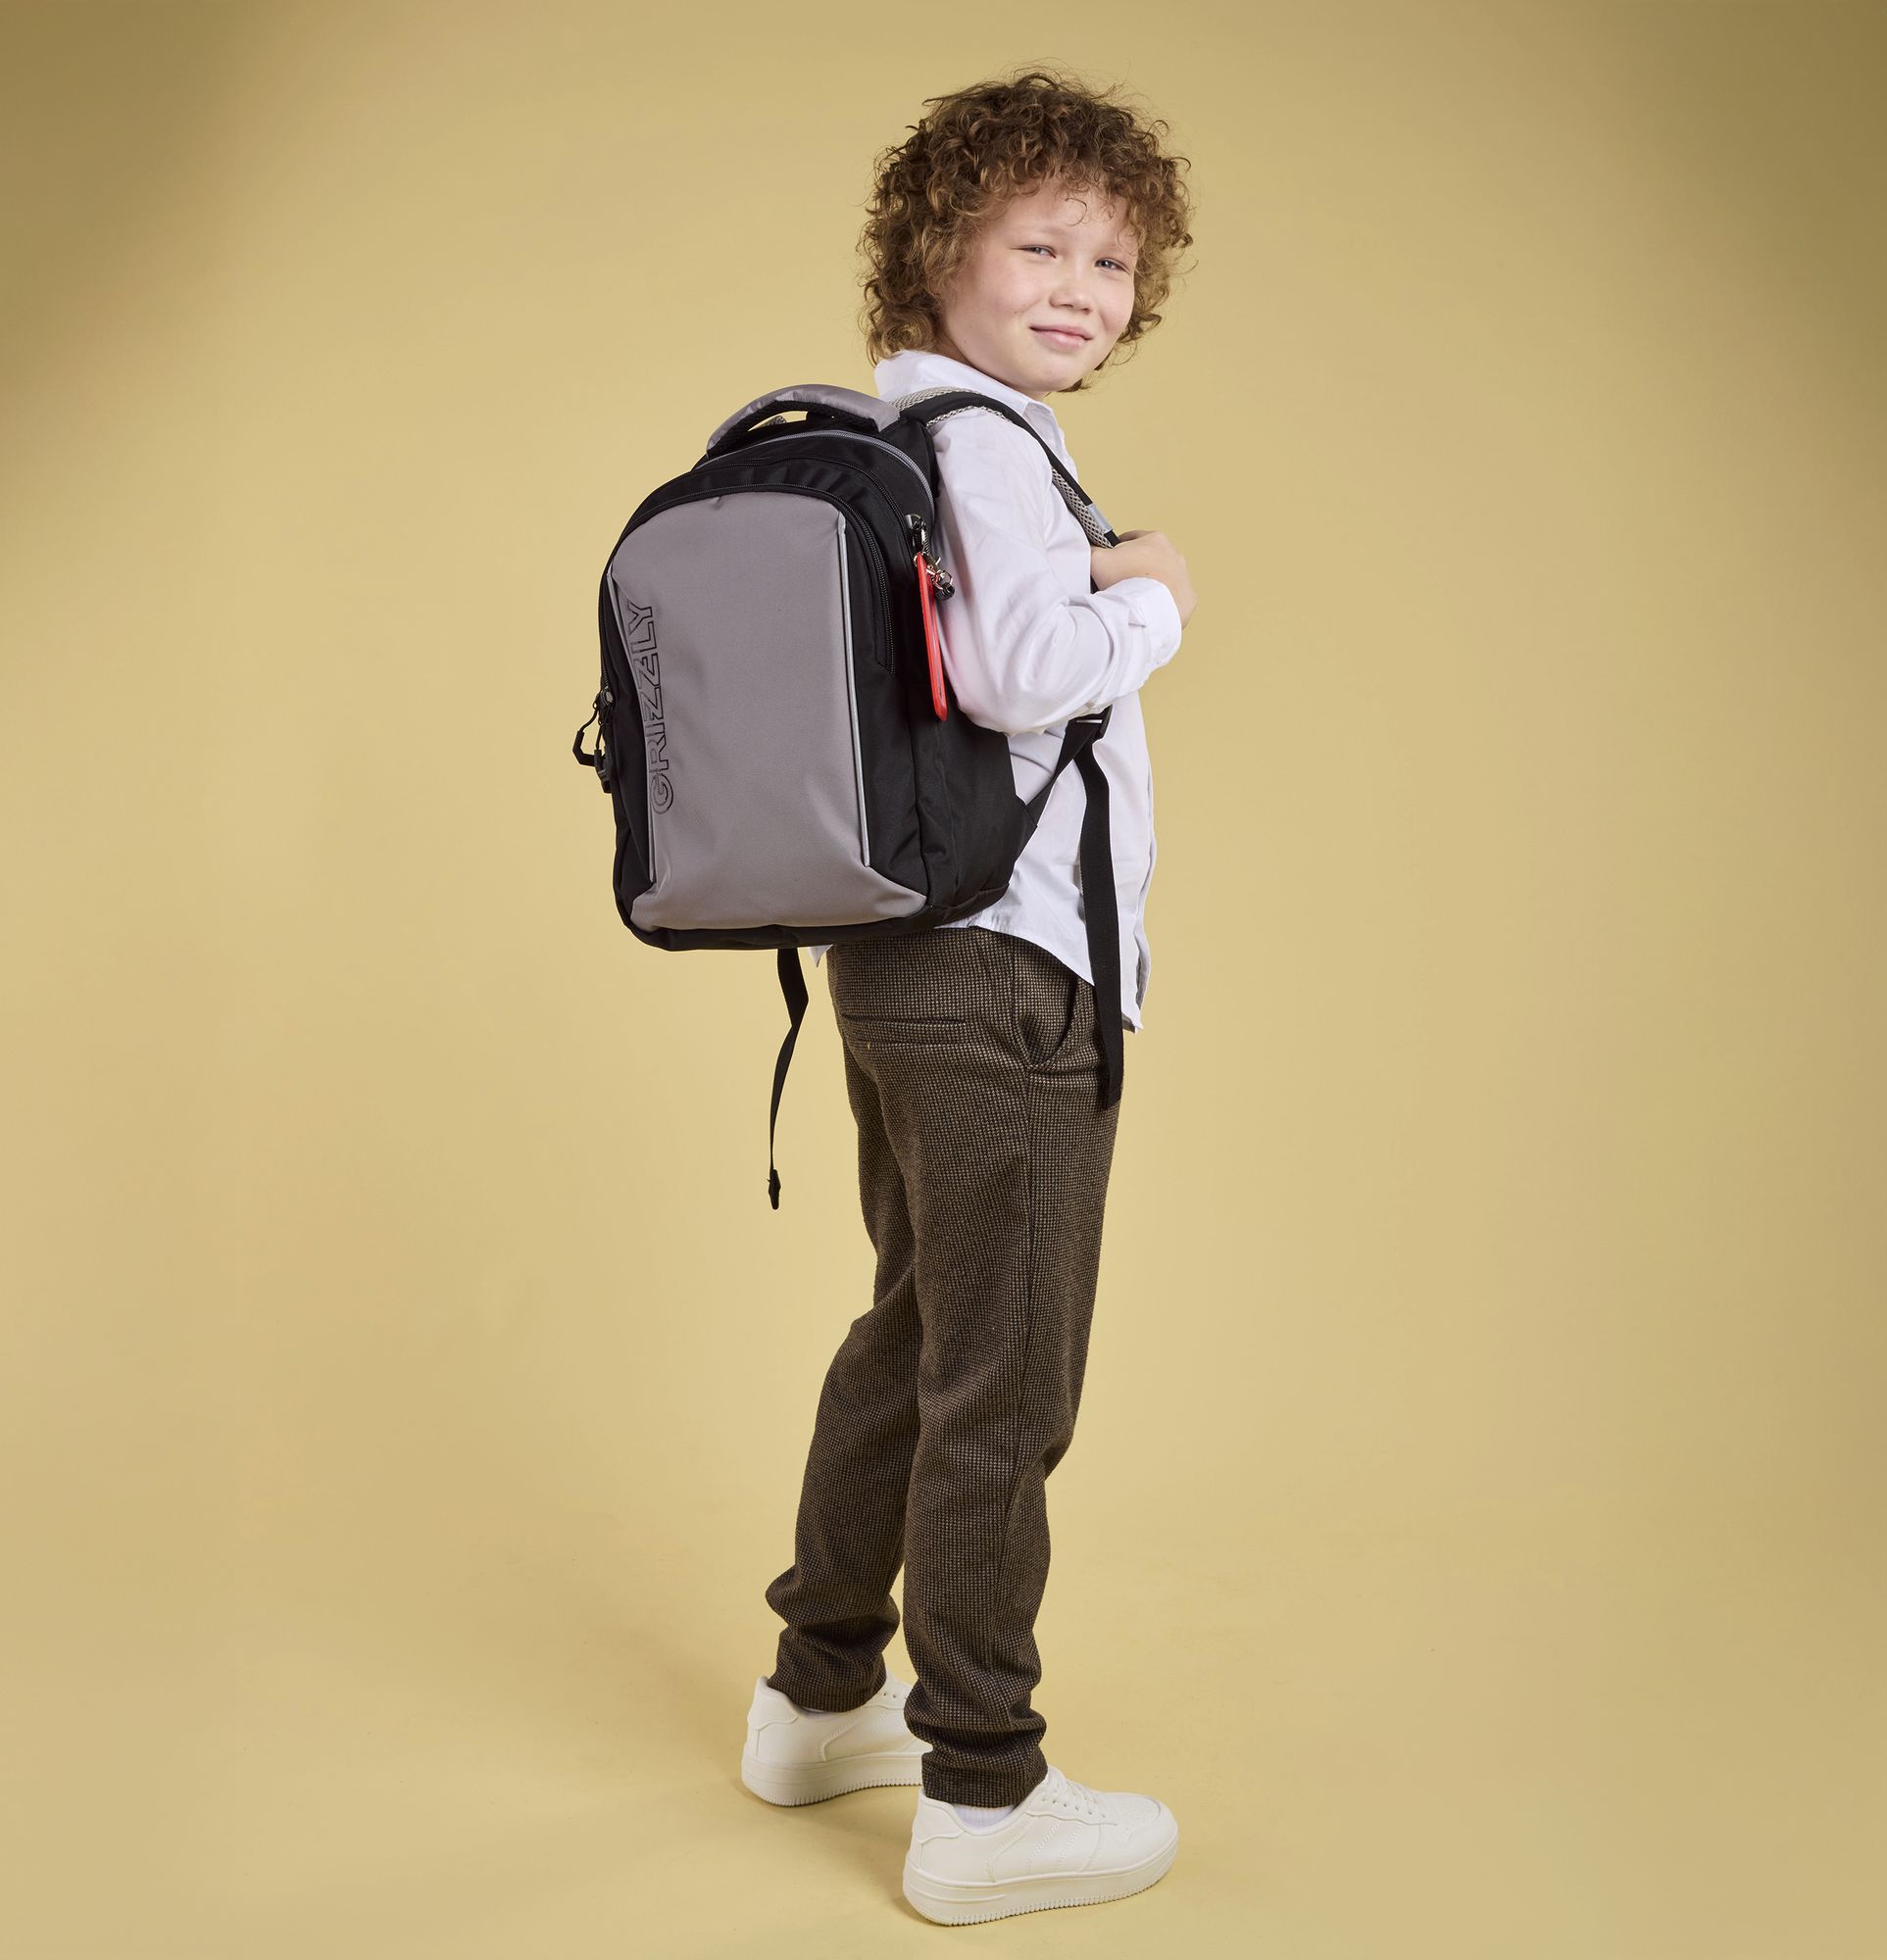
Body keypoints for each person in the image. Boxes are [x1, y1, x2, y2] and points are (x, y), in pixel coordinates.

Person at [740, 68, 1199, 1925]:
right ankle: (985, 1793)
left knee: (919, 1329)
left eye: (1114, 261)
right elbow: (1018, 671)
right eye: (1041, 247)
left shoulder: (903, 434)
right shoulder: (989, 445)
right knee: (1004, 1384)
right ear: (938, 253)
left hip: (900, 958)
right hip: (1011, 974)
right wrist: (1155, 596)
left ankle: (817, 1698)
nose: (1082, 288)